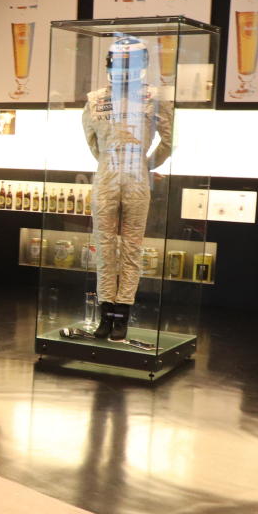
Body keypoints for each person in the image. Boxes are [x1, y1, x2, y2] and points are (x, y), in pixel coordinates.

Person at [83, 36, 173, 341]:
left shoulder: (155, 97)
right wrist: (134, 163)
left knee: (132, 248)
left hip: (129, 175)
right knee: (105, 248)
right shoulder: (96, 99)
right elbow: (92, 141)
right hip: (110, 176)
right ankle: (106, 313)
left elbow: (169, 141)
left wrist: (144, 164)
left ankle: (122, 313)